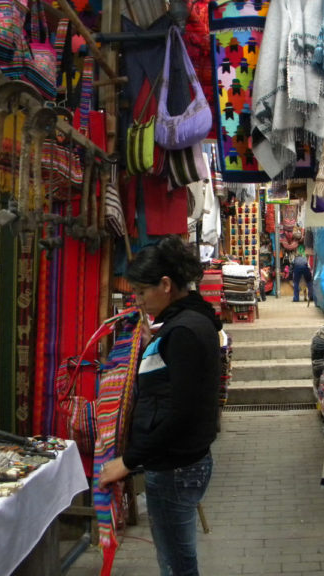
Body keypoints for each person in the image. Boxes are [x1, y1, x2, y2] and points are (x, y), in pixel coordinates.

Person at [99, 235, 221, 576]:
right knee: (176, 560)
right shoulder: (190, 321)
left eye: (141, 292)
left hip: (175, 468)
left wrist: (129, 461)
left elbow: (181, 412)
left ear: (165, 285)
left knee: (176, 565)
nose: (138, 300)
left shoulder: (184, 331)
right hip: (182, 462)